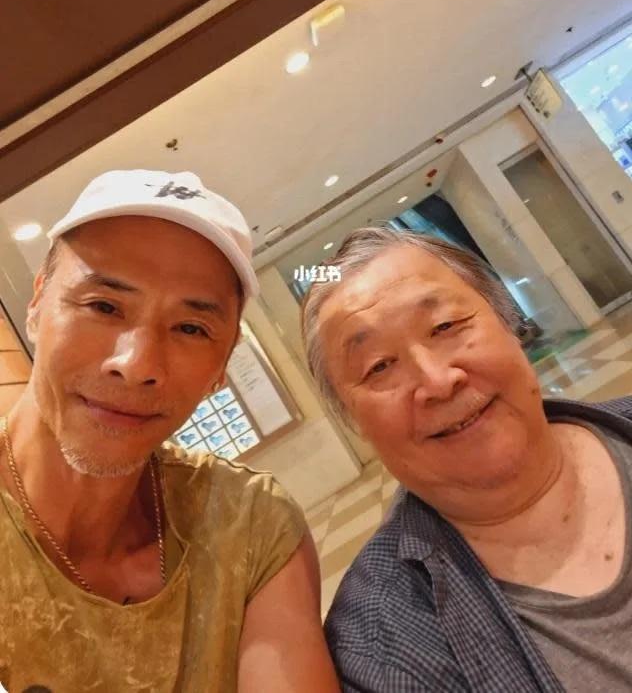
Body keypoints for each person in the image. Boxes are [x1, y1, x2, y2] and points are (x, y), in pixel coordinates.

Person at [0, 170, 340, 693]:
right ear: (37, 303)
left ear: (222, 366)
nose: (137, 364)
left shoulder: (247, 525)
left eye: (190, 328)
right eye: (104, 306)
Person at [301, 226, 632, 692]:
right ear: (354, 420)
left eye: (445, 327)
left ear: (510, 323)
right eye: (379, 366)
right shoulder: (380, 647)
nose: (438, 382)